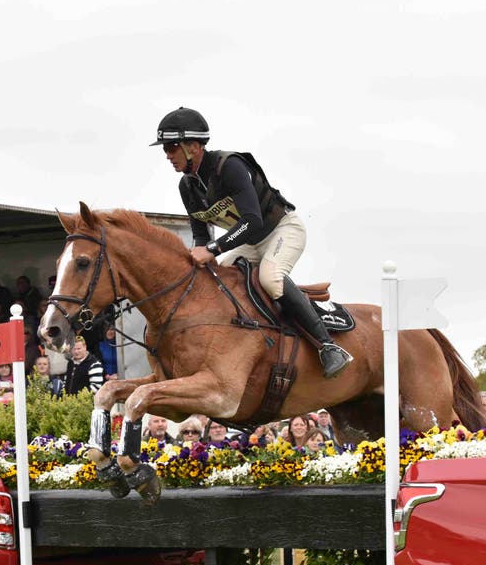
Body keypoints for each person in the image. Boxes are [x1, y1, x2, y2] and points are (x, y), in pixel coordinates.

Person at [151, 106, 352, 379]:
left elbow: (252, 220)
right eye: (166, 148)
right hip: (249, 242)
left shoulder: (229, 166)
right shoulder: (187, 187)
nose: (167, 155)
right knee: (218, 281)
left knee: (270, 277)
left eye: (172, 147)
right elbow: (200, 235)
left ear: (194, 146)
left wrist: (213, 249)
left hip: (281, 229)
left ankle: (328, 346)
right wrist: (197, 259)